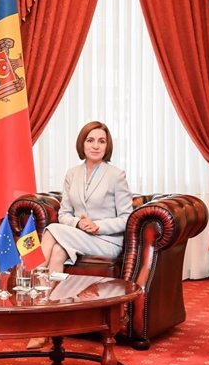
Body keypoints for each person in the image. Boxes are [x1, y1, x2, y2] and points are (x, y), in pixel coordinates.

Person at [27, 121, 133, 350]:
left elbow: (126, 218)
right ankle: (46, 323)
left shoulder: (116, 175)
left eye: (101, 141)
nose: (96, 145)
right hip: (76, 235)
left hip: (106, 240)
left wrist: (98, 226)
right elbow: (64, 213)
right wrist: (78, 223)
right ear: (82, 143)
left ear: (108, 146)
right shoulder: (72, 174)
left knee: (52, 230)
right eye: (90, 140)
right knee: (56, 251)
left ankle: (28, 285)